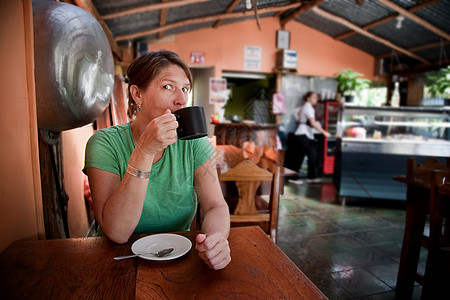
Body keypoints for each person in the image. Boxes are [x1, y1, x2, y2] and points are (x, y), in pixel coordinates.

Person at [84, 50, 231, 270]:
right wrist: (144, 151)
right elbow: (117, 232)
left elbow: (215, 206)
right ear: (137, 94)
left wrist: (215, 240)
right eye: (168, 86)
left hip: (179, 255)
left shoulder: (194, 142)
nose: (181, 99)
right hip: (116, 259)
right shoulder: (104, 144)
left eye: (185, 89)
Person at [285, 91, 331, 184]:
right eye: (314, 97)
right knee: (310, 154)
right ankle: (301, 177)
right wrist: (324, 132)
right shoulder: (308, 108)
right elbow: (313, 123)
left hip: (302, 134)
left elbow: (298, 119)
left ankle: (305, 177)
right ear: (308, 98)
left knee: (300, 156)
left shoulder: (304, 107)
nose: (316, 99)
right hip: (302, 134)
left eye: (316, 97)